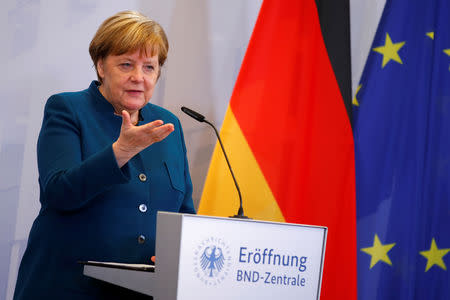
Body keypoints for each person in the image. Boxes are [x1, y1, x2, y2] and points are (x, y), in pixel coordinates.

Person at [13, 11, 195, 299]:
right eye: (126, 64)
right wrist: (120, 152)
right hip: (68, 288)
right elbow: (58, 192)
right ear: (100, 66)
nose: (138, 77)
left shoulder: (167, 125)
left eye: (149, 67)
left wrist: (179, 255)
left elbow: (184, 213)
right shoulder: (67, 110)